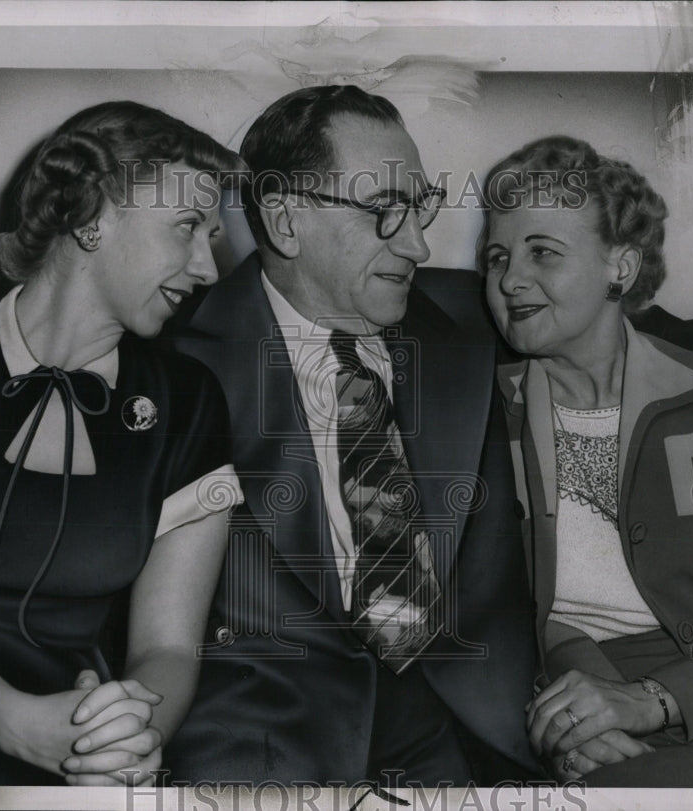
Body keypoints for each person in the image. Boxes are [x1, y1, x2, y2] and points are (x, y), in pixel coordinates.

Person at [166, 85, 539, 785]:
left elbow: (619, 325)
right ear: (284, 219)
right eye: (384, 212)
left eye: (420, 206)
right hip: (273, 746)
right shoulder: (177, 358)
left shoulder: (466, 313)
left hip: (477, 726)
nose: (420, 243)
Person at [0, 101, 245, 786]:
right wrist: (21, 725)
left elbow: (168, 645)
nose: (208, 267)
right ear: (93, 220)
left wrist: (130, 736)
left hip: (85, 745)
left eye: (212, 236)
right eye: (188, 227)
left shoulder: (192, 401)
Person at [479, 135, 693, 787]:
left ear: (620, 267)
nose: (509, 280)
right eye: (497, 257)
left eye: (541, 252)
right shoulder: (478, 419)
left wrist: (657, 698)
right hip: (592, 719)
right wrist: (569, 718)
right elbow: (487, 618)